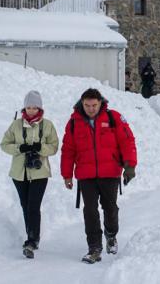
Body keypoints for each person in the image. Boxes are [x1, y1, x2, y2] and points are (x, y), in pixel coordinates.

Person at [61, 88, 138, 264]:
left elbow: (127, 141)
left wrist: (130, 165)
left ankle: (111, 235)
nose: (91, 109)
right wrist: (67, 174)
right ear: (82, 103)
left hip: (110, 172)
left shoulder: (114, 118)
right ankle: (94, 247)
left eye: (94, 105)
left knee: (110, 208)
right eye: (87, 105)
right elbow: (68, 150)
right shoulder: (74, 122)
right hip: (85, 175)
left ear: (100, 102)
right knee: (89, 210)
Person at [0, 90, 59, 259]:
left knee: (33, 205)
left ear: (40, 107)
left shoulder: (47, 125)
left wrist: (41, 148)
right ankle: (32, 236)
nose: (31, 110)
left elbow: (54, 147)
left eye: (35, 107)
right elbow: (4, 144)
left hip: (40, 172)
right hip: (19, 173)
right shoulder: (16, 125)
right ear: (24, 107)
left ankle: (32, 240)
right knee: (25, 205)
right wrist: (20, 148)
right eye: (28, 107)